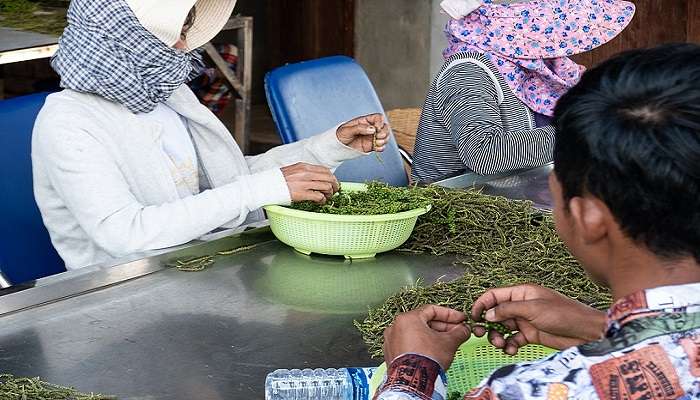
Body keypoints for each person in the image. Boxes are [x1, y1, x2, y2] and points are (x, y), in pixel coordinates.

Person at [374, 43, 700, 399]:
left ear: (588, 218)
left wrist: (412, 371)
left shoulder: (534, 390)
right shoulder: (468, 74)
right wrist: (601, 325)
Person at [32, 0, 390, 270]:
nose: (185, 48)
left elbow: (226, 183)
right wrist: (261, 189)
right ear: (125, 41)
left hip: (202, 268)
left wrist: (328, 147)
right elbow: (126, 235)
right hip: (118, 299)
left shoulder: (169, 96)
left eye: (185, 34)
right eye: (174, 36)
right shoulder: (67, 122)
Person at [410, 0, 635, 182]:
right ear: (523, 30)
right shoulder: (468, 72)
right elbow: (484, 153)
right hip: (454, 213)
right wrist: (582, 133)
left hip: (513, 199)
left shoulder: (536, 69)